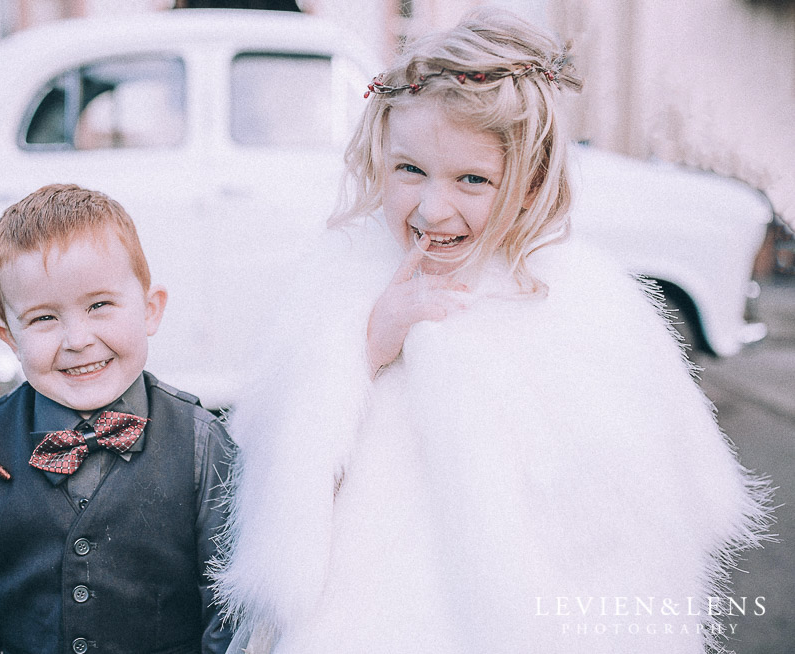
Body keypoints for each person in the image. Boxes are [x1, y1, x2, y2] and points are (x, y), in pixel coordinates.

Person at [212, 8, 771, 654]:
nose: (431, 208)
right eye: (409, 171)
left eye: (472, 180)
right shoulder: (338, 288)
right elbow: (280, 520)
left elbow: (646, 522)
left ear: (529, 186)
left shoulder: (584, 305)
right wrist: (362, 351)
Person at [0, 184, 233, 654]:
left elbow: (231, 609)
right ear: (9, 338)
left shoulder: (202, 444)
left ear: (150, 309)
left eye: (99, 305)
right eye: (44, 318)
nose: (77, 339)